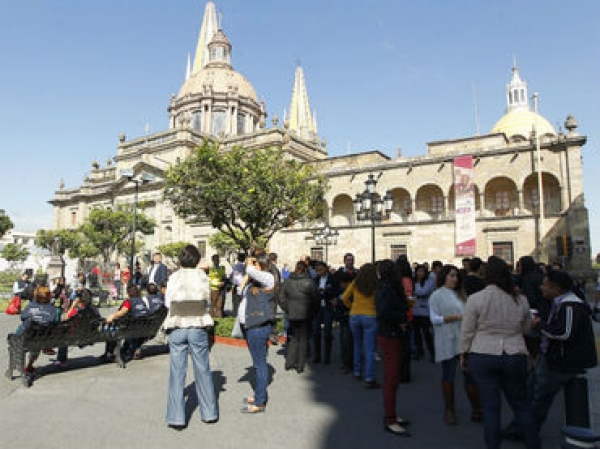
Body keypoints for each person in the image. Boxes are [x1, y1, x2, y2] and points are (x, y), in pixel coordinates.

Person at [460, 256, 540, 449]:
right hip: (514, 353)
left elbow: (467, 330)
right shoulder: (520, 299)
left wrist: (463, 353)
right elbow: (526, 329)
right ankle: (534, 443)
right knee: (521, 405)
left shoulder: (476, 299)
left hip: (483, 353)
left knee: (490, 409)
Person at [531, 269, 598, 430]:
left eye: (545, 285)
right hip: (557, 358)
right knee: (536, 391)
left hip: (563, 362)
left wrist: (539, 325)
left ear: (557, 288)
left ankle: (529, 428)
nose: (542, 288)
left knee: (540, 395)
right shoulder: (561, 304)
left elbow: (563, 333)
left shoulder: (570, 306)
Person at [163, 245, 218, 429]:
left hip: (177, 324)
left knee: (177, 372)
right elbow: (207, 301)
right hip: (197, 324)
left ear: (180, 259)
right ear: (196, 260)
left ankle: (176, 417)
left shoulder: (174, 276)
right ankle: (209, 413)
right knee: (202, 368)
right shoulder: (202, 276)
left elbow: (167, 302)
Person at [429, 264, 481, 425]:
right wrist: (454, 317)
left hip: (464, 338)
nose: (454, 279)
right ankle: (449, 410)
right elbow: (434, 319)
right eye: (451, 275)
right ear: (444, 276)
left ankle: (476, 408)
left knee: (470, 374)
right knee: (448, 375)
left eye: (456, 276)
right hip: (447, 338)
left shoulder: (463, 295)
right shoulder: (436, 296)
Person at [375, 259, 411, 437]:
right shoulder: (386, 288)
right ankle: (390, 418)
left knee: (394, 377)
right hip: (390, 335)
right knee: (391, 377)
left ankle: (392, 413)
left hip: (392, 334)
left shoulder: (388, 287)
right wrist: (401, 318)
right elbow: (383, 312)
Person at [239, 253, 276, 414]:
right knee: (257, 363)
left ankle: (260, 402)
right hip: (249, 325)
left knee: (260, 365)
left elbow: (250, 269)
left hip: (258, 326)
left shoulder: (269, 278)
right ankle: (258, 395)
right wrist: (247, 276)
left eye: (256, 264)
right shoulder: (254, 281)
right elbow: (239, 289)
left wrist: (249, 264)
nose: (252, 266)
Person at [342, 263, 379, 388]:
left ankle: (357, 371)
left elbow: (344, 297)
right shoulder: (376, 285)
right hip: (370, 315)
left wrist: (351, 306)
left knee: (356, 345)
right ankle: (370, 377)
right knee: (369, 349)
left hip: (355, 315)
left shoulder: (355, 283)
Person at [278, 260, 319, 373]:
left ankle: (290, 362)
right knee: (304, 338)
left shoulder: (288, 281)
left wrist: (287, 309)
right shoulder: (309, 282)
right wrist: (313, 311)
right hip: (306, 314)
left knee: (293, 337)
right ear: (305, 269)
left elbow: (281, 298)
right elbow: (316, 299)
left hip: (292, 313)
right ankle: (300, 364)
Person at [16, 286, 57, 374]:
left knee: (23, 327)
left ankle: (15, 340)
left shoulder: (31, 306)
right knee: (37, 340)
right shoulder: (53, 310)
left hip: (27, 337)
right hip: (42, 338)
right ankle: (30, 365)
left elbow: (23, 317)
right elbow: (55, 322)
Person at [334, 252, 359, 374]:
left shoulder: (358, 273)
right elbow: (335, 290)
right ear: (344, 261)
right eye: (348, 260)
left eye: (352, 260)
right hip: (343, 309)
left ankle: (354, 361)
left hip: (356, 308)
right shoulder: (338, 274)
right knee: (344, 337)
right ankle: (346, 362)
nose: (350, 262)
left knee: (354, 337)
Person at [312, 261, 341, 364]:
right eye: (317, 270)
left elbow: (338, 292)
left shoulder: (333, 279)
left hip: (328, 308)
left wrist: (326, 292)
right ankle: (317, 355)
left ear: (326, 269)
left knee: (328, 332)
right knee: (316, 332)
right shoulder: (315, 280)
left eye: (321, 270)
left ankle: (327, 356)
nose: (319, 272)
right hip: (318, 308)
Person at [412, 264, 436, 362]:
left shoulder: (429, 281)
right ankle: (419, 351)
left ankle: (432, 353)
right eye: (418, 271)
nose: (420, 273)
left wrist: (416, 287)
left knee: (427, 334)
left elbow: (423, 292)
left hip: (425, 312)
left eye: (422, 271)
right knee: (417, 334)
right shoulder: (414, 282)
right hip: (415, 311)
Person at [229, 253, 246, 317]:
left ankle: (235, 315)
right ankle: (242, 315)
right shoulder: (245, 266)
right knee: (242, 302)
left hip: (235, 286)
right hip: (243, 285)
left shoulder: (234, 266)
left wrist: (231, 282)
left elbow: (230, 275)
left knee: (235, 302)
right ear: (244, 259)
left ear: (238, 258)